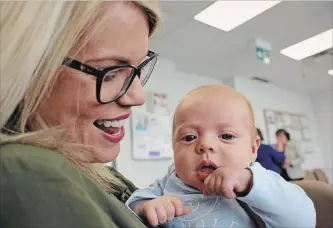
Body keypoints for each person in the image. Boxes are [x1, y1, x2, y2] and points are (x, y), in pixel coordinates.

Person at [0, 1, 161, 227]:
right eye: (111, 72)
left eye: (138, 69)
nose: (137, 96)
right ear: (31, 69)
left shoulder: (97, 176)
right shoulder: (26, 174)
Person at [125, 85, 316, 228]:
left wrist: (249, 184)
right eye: (189, 137)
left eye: (226, 136)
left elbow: (304, 220)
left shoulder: (258, 182)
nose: (205, 145)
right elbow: (132, 205)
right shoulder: (169, 182)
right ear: (174, 147)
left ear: (253, 148)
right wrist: (146, 207)